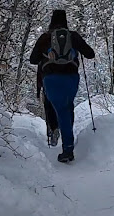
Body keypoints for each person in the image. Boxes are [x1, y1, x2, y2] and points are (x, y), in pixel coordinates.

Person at [30, 10, 95, 162]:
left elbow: (33, 60)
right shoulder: (73, 36)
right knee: (66, 107)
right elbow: (90, 54)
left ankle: (61, 140)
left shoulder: (45, 37)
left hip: (51, 79)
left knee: (56, 106)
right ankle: (67, 142)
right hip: (71, 78)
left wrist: (46, 55)